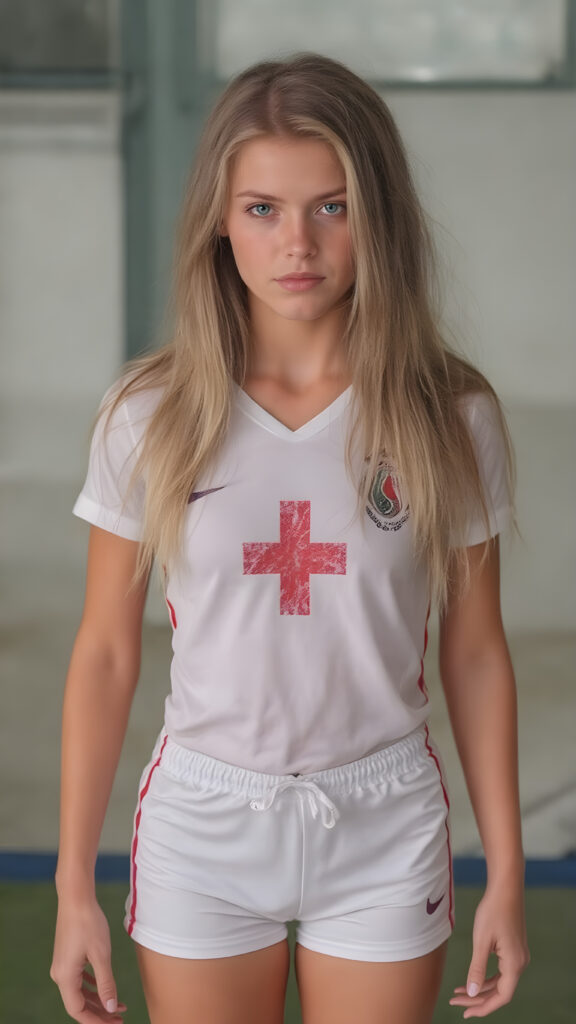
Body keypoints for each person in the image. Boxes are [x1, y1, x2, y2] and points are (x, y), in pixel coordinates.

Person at [50, 51, 530, 1024]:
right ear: (219, 221)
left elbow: (476, 651)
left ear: (378, 215)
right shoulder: (150, 415)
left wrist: (509, 875)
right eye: (263, 208)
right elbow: (104, 652)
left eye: (333, 205)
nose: (296, 243)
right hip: (204, 819)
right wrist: (71, 890)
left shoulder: (449, 412)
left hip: (384, 815)